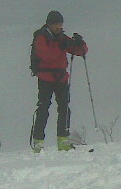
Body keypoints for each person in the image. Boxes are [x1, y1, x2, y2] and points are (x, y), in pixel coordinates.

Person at [30, 10, 88, 153]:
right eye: (56, 24)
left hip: (60, 77)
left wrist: (80, 43)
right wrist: (62, 46)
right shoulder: (41, 37)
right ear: (49, 24)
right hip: (46, 77)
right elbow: (46, 55)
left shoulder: (61, 38)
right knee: (44, 109)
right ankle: (38, 142)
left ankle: (62, 140)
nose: (58, 26)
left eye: (60, 24)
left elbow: (81, 51)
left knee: (64, 108)